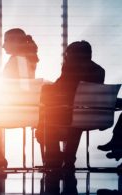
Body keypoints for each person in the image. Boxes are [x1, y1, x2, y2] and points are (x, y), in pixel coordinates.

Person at [36, 40, 105, 170]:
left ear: (73, 55)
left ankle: (53, 157)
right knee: (72, 117)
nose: (65, 57)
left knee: (50, 114)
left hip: (70, 116)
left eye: (67, 54)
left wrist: (46, 89)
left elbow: (61, 89)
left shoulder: (71, 69)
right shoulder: (99, 70)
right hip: (92, 116)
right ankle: (68, 159)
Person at [0, 28, 39, 168]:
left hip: (12, 112)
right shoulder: (29, 60)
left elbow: (10, 87)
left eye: (6, 41)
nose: (3, 45)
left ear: (15, 42)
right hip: (28, 113)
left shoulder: (17, 60)